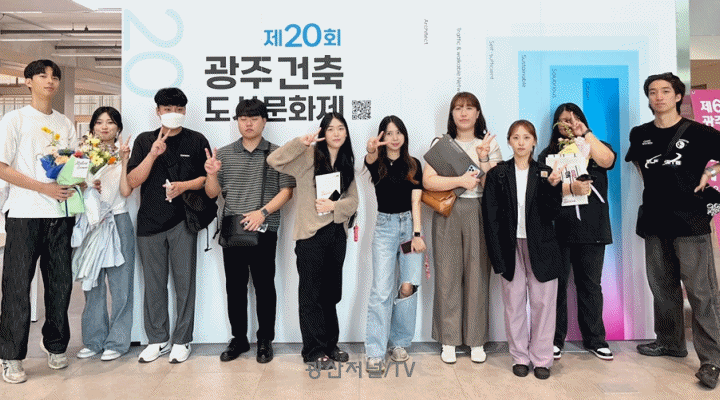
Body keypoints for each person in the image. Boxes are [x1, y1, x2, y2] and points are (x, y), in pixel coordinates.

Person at [625, 72, 720, 389]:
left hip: (691, 222)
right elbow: (640, 166)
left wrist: (711, 171)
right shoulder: (640, 134)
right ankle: (670, 342)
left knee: (701, 292)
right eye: (652, 92)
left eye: (665, 91)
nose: (659, 97)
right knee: (662, 287)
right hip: (654, 222)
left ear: (678, 96)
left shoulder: (699, 132)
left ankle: (712, 360)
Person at [0, 59, 77, 384]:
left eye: (54, 76)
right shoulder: (14, 120)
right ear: (28, 81)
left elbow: (72, 165)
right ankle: (11, 356)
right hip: (24, 214)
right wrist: (43, 187)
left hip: (60, 214)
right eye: (42, 75)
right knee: (17, 286)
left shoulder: (64, 122)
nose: (50, 81)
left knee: (60, 286)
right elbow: (2, 167)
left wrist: (82, 179)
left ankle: (56, 345)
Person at [204, 99, 295, 363]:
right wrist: (211, 174)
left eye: (254, 118)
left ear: (264, 121)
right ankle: (239, 339)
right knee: (235, 287)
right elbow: (212, 193)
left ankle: (265, 340)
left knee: (265, 287)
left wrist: (262, 213)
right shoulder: (224, 154)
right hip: (233, 229)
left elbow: (287, 191)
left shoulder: (278, 153)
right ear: (237, 121)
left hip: (265, 228)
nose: (248, 123)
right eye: (243, 119)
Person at [267, 112, 358, 370]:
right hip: (310, 235)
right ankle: (313, 350)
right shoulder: (308, 157)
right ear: (323, 133)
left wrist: (334, 206)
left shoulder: (346, 163)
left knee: (331, 294)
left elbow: (354, 201)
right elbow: (274, 160)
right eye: (331, 129)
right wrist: (300, 142)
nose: (336, 133)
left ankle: (330, 345)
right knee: (311, 295)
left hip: (336, 235)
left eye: (341, 128)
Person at [127, 87, 210, 364]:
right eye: (167, 109)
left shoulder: (196, 140)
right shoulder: (144, 140)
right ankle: (157, 339)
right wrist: (152, 154)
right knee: (154, 285)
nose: (173, 113)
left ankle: (183, 339)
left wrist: (183, 186)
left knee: (184, 284)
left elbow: (206, 179)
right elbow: (132, 181)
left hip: (182, 222)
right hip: (149, 222)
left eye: (178, 109)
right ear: (158, 112)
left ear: (185, 111)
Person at [423, 92, 501, 364]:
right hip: (448, 212)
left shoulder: (488, 143)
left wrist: (483, 158)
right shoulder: (442, 144)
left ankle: (476, 340)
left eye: (469, 108)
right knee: (447, 275)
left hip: (479, 211)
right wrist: (460, 180)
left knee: (478, 276)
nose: (464, 113)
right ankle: (449, 340)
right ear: (452, 114)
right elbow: (428, 181)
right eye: (458, 108)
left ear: (478, 113)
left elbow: (494, 186)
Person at [482, 120, 563, 379]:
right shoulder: (498, 174)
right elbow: (491, 218)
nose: (521, 142)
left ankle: (541, 359)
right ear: (509, 141)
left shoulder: (546, 172)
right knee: (514, 303)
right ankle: (519, 356)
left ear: (534, 141)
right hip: (509, 246)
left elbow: (552, 213)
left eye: (526, 137)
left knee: (543, 304)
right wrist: (496, 255)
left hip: (542, 246)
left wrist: (553, 187)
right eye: (516, 137)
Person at [537, 103, 617, 361]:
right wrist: (568, 189)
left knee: (590, 285)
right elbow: (541, 190)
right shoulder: (548, 154)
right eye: (563, 120)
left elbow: (608, 161)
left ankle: (596, 340)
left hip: (593, 227)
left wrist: (586, 134)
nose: (568, 124)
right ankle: (555, 340)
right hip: (558, 229)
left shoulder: (595, 146)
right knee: (557, 287)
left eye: (573, 119)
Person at [363, 116, 426, 372]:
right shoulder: (376, 163)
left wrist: (417, 234)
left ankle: (399, 343)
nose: (394, 137)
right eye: (389, 133)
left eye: (398, 132)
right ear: (382, 137)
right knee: (381, 290)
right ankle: (375, 351)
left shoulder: (413, 164)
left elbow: (416, 201)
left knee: (407, 287)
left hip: (409, 228)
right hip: (385, 228)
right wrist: (370, 149)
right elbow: (369, 158)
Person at [75, 107, 136, 362]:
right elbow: (73, 185)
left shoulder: (124, 153)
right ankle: (93, 340)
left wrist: (124, 160)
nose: (104, 127)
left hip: (118, 219)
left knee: (122, 287)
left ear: (118, 127)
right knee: (93, 285)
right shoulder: (82, 153)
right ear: (92, 128)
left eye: (110, 122)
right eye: (99, 122)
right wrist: (87, 185)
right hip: (91, 222)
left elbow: (126, 190)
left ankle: (118, 342)